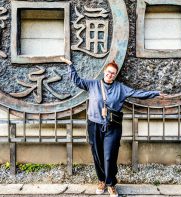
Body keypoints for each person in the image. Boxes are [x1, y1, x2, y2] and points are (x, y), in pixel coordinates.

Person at [61, 57, 165, 197]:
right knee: (97, 154)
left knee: (109, 156)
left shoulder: (120, 88)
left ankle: (111, 184)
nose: (110, 75)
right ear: (104, 72)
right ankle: (101, 180)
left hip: (113, 126)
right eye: (108, 72)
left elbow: (137, 93)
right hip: (94, 125)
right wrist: (70, 66)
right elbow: (77, 81)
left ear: (115, 75)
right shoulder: (93, 85)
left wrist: (156, 93)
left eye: (113, 73)